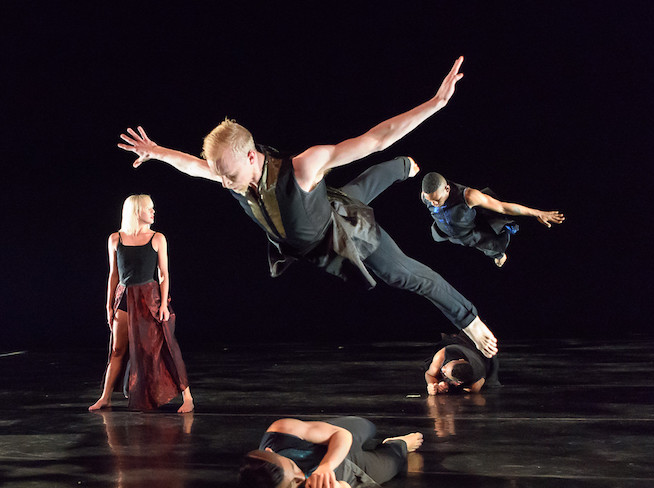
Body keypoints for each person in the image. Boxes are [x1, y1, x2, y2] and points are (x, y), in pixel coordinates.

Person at [118, 57, 498, 357]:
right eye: (222, 176)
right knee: (351, 195)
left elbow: (375, 138)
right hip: (314, 228)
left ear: (251, 156)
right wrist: (157, 153)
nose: (226, 183)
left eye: (230, 175)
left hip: (344, 234)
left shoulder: (303, 167)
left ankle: (470, 318)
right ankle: (403, 168)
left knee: (402, 272)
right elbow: (193, 165)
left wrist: (435, 104)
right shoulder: (229, 172)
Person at [89, 194, 193, 413]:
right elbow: (113, 275)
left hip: (148, 297)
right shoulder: (115, 239)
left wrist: (164, 303)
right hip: (125, 298)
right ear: (137, 212)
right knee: (117, 349)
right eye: (149, 208)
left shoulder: (157, 238)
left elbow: (163, 274)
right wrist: (109, 305)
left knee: (163, 346)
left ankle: (188, 397)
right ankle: (105, 397)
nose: (153, 212)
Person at [239, 417, 423, 488]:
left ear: (270, 452)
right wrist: (335, 487)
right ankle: (396, 443)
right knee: (396, 458)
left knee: (368, 426)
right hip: (349, 473)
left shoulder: (280, 432)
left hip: (332, 444)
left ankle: (368, 444)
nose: (301, 477)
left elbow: (342, 435)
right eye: (292, 484)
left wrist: (325, 467)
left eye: (293, 467)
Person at [421, 171, 565, 267]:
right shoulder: (425, 196)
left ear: (447, 189)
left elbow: (503, 207)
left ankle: (498, 253)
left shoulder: (469, 196)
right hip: (443, 229)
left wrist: (537, 213)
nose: (433, 203)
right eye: (430, 200)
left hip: (466, 232)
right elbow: (431, 200)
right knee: (436, 236)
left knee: (488, 244)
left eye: (437, 200)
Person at [424, 332, 501, 395]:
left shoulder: (475, 384)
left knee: (491, 383)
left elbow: (470, 388)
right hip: (464, 344)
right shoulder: (442, 355)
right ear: (460, 360)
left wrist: (445, 387)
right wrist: (432, 384)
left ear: (457, 383)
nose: (443, 368)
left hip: (483, 361)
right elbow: (429, 374)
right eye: (446, 365)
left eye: (444, 373)